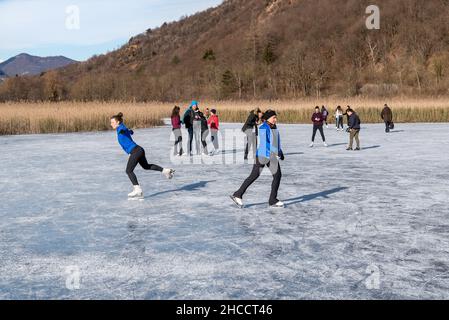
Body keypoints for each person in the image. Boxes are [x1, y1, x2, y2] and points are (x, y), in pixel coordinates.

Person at [110, 112, 175, 199]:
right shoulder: (119, 129)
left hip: (136, 151)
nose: (111, 124)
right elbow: (130, 132)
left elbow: (124, 129)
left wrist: (125, 130)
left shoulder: (121, 127)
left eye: (112, 122)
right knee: (146, 166)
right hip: (138, 150)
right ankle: (165, 171)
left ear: (118, 122)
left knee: (129, 171)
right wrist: (129, 131)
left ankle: (137, 189)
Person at [231, 110, 285, 208]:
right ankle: (238, 194)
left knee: (277, 175)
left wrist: (280, 151)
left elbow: (276, 141)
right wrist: (276, 151)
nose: (275, 119)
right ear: (268, 118)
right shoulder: (263, 127)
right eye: (274, 117)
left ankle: (273, 199)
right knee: (254, 175)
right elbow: (266, 144)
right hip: (262, 155)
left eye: (276, 117)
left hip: (271, 156)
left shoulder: (274, 127)